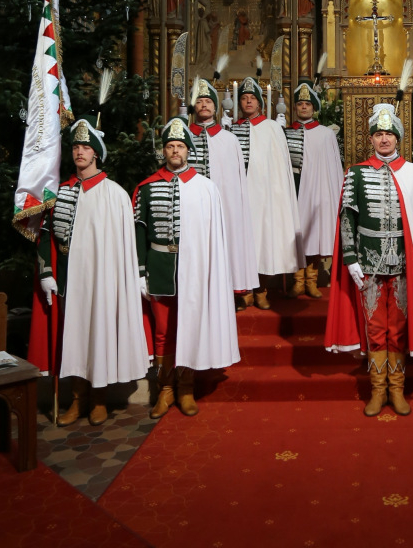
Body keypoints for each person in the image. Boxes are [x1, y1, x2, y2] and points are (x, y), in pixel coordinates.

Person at [324, 102, 413, 416]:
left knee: (397, 329)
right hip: (367, 265)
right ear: (371, 138)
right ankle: (377, 390)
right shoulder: (355, 173)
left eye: (389, 134)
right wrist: (350, 259)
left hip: (404, 264)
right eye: (378, 134)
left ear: (398, 137)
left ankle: (396, 389)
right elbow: (346, 218)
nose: (384, 139)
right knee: (374, 328)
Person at [36, 117, 149, 426]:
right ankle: (78, 398)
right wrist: (46, 272)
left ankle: (99, 398)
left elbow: (125, 246)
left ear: (96, 153)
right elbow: (45, 234)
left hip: (102, 280)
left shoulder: (115, 194)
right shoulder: (60, 192)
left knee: (98, 335)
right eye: (76, 147)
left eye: (85, 147)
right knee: (73, 337)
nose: (79, 152)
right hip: (69, 278)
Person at [134, 117, 240, 419]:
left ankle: (186, 388)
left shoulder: (205, 188)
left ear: (188, 150)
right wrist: (140, 271)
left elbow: (214, 236)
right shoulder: (147, 187)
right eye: (170, 146)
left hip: (195, 270)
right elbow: (139, 231)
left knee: (190, 328)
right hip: (159, 267)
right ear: (164, 151)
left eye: (180, 146)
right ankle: (165, 389)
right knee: (163, 331)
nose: (175, 151)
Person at [232, 75, 304, 309]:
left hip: (265, 196)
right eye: (244, 98)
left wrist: (276, 194)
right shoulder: (233, 129)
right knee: (243, 243)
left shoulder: (272, 128)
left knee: (262, 241)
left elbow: (279, 167)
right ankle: (245, 291)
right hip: (240, 195)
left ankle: (261, 290)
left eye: (252, 98)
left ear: (260, 103)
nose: (248, 101)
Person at [188, 78, 259, 308]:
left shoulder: (229, 140)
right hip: (193, 205)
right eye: (200, 101)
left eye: (208, 101)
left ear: (216, 107)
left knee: (226, 244)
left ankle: (229, 292)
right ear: (194, 106)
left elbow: (236, 180)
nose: (204, 105)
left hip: (224, 205)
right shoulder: (184, 138)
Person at [284, 81, 344, 298]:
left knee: (313, 232)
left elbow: (332, 167)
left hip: (316, 188)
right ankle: (297, 280)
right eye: (300, 103)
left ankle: (311, 279)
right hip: (293, 184)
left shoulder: (325, 134)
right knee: (294, 232)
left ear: (314, 107)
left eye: (307, 104)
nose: (303, 107)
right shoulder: (285, 132)